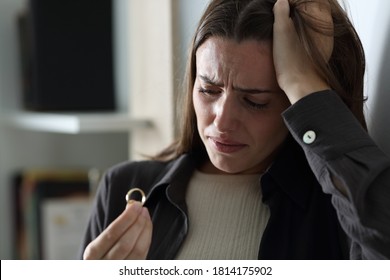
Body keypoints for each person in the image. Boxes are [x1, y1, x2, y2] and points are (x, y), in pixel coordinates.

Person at [79, 0, 390, 260]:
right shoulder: (125, 188)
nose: (222, 121)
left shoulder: (337, 209)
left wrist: (304, 83)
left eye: (255, 101)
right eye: (209, 90)